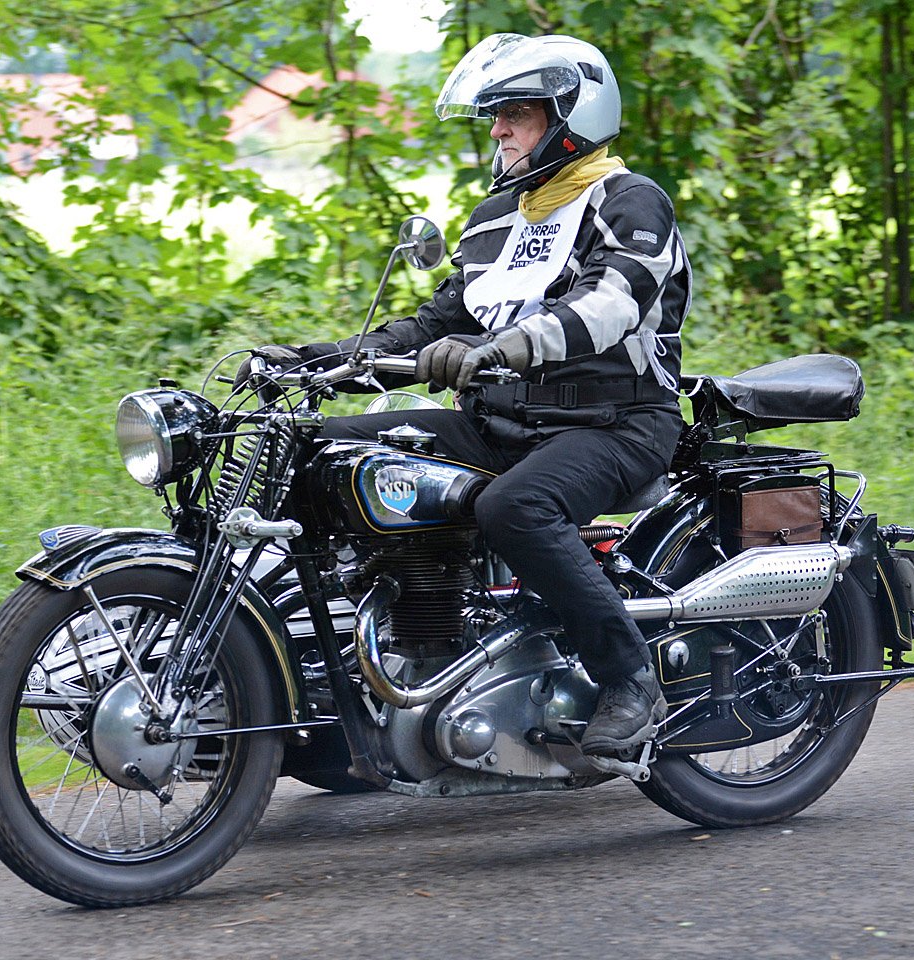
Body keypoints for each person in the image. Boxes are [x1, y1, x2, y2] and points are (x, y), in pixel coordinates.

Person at [242, 33, 692, 757]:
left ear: (571, 116)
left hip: (615, 421)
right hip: (500, 423)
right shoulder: (495, 221)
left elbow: (608, 306)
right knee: (323, 451)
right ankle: (344, 665)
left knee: (515, 507)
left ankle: (630, 680)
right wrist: (311, 360)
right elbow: (432, 328)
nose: (498, 130)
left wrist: (499, 349)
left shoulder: (630, 202)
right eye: (494, 115)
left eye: (517, 113)